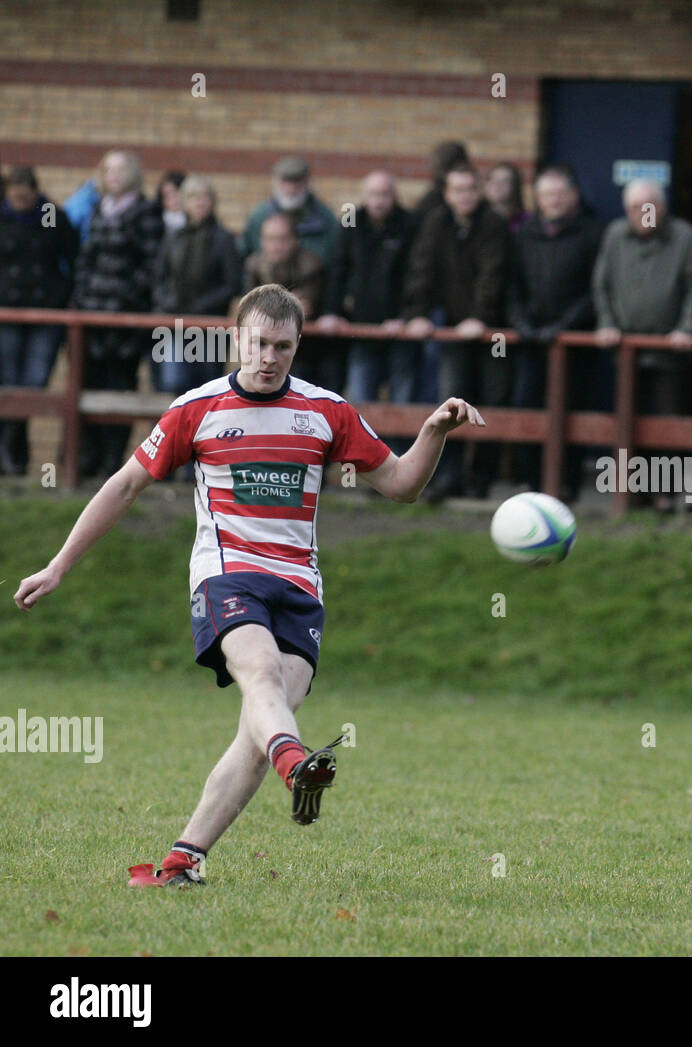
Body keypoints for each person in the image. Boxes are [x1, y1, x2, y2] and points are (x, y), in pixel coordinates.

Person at [13, 283, 485, 885]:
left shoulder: (326, 411)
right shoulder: (197, 409)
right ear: (236, 338)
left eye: (281, 347)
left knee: (264, 724)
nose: (267, 357)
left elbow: (400, 485)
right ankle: (297, 766)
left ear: (297, 346)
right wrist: (59, 564)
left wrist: (434, 432)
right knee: (261, 680)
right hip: (227, 575)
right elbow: (124, 485)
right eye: (257, 343)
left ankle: (183, 860)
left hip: (300, 591)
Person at [593, 179, 692, 508]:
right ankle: (632, 493)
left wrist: (689, 326)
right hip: (627, 351)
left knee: (669, 422)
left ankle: (666, 493)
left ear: (663, 207)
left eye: (649, 205)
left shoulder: (685, 237)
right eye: (634, 207)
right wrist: (606, 323)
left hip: (671, 352)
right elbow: (601, 285)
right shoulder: (615, 236)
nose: (642, 213)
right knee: (628, 420)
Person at [404, 162, 509, 500]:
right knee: (451, 402)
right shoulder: (437, 223)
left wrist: (481, 317)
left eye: (471, 189)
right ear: (447, 194)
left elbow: (493, 274)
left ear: (480, 192)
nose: (465, 196)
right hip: (452, 329)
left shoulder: (494, 223)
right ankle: (446, 477)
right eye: (458, 190)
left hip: (494, 331)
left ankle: (480, 480)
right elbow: (422, 268)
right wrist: (418, 313)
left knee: (493, 401)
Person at [506, 164, 602, 491]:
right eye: (547, 194)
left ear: (574, 196)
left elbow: (596, 290)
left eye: (560, 193)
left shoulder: (592, 234)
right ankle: (532, 482)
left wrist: (564, 326)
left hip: (575, 343)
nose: (554, 200)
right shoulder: (525, 235)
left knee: (571, 411)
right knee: (527, 406)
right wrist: (521, 323)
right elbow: (512, 286)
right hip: (531, 343)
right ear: (538, 198)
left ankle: (567, 483)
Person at [72, 150, 165, 478]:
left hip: (126, 321)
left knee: (120, 384)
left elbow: (152, 264)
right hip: (92, 317)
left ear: (133, 173)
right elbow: (86, 259)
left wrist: (124, 297)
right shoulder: (98, 208)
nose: (112, 175)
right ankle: (87, 460)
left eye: (120, 169)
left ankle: (112, 461)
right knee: (88, 382)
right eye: (107, 169)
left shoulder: (147, 211)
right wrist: (81, 298)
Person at [0, 165, 80, 475]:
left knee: (34, 383)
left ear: (35, 191)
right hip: (7, 315)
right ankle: (11, 455)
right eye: (14, 197)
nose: (20, 202)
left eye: (25, 196)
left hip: (46, 314)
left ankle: (13, 455)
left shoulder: (53, 217)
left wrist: (63, 296)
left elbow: (73, 259)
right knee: (9, 385)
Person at [317, 170, 419, 412]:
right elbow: (337, 271)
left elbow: (417, 276)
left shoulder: (410, 224)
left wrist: (406, 317)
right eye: (374, 194)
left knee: (402, 402)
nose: (379, 200)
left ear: (395, 196)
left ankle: (401, 451)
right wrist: (331, 311)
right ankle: (364, 451)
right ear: (364, 196)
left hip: (401, 330)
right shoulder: (352, 221)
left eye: (385, 194)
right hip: (361, 329)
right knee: (360, 399)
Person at [152, 174, 242, 393]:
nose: (200, 202)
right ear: (184, 202)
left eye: (205, 197)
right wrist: (167, 303)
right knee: (173, 383)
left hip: (211, 327)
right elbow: (159, 277)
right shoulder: (174, 238)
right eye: (194, 197)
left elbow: (233, 284)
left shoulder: (223, 239)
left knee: (207, 387)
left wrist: (201, 306)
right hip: (175, 324)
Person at [244, 213, 332, 387]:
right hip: (261, 348)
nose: (276, 246)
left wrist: (266, 306)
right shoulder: (254, 264)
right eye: (270, 239)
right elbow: (249, 306)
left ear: (294, 240)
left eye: (282, 239)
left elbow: (301, 310)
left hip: (305, 351)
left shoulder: (311, 265)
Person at [240, 156, 340, 266]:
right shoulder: (260, 216)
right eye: (285, 181)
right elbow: (244, 253)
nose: (291, 189)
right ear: (275, 181)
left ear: (307, 182)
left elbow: (336, 257)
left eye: (297, 181)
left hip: (314, 280)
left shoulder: (325, 217)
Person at [485, 162, 530, 234]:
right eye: (493, 179)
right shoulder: (477, 219)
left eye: (505, 181)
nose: (497, 185)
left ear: (515, 187)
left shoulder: (526, 221)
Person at [156, 170, 187, 234]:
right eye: (167, 194)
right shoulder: (157, 221)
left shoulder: (194, 220)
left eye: (175, 191)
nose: (173, 198)